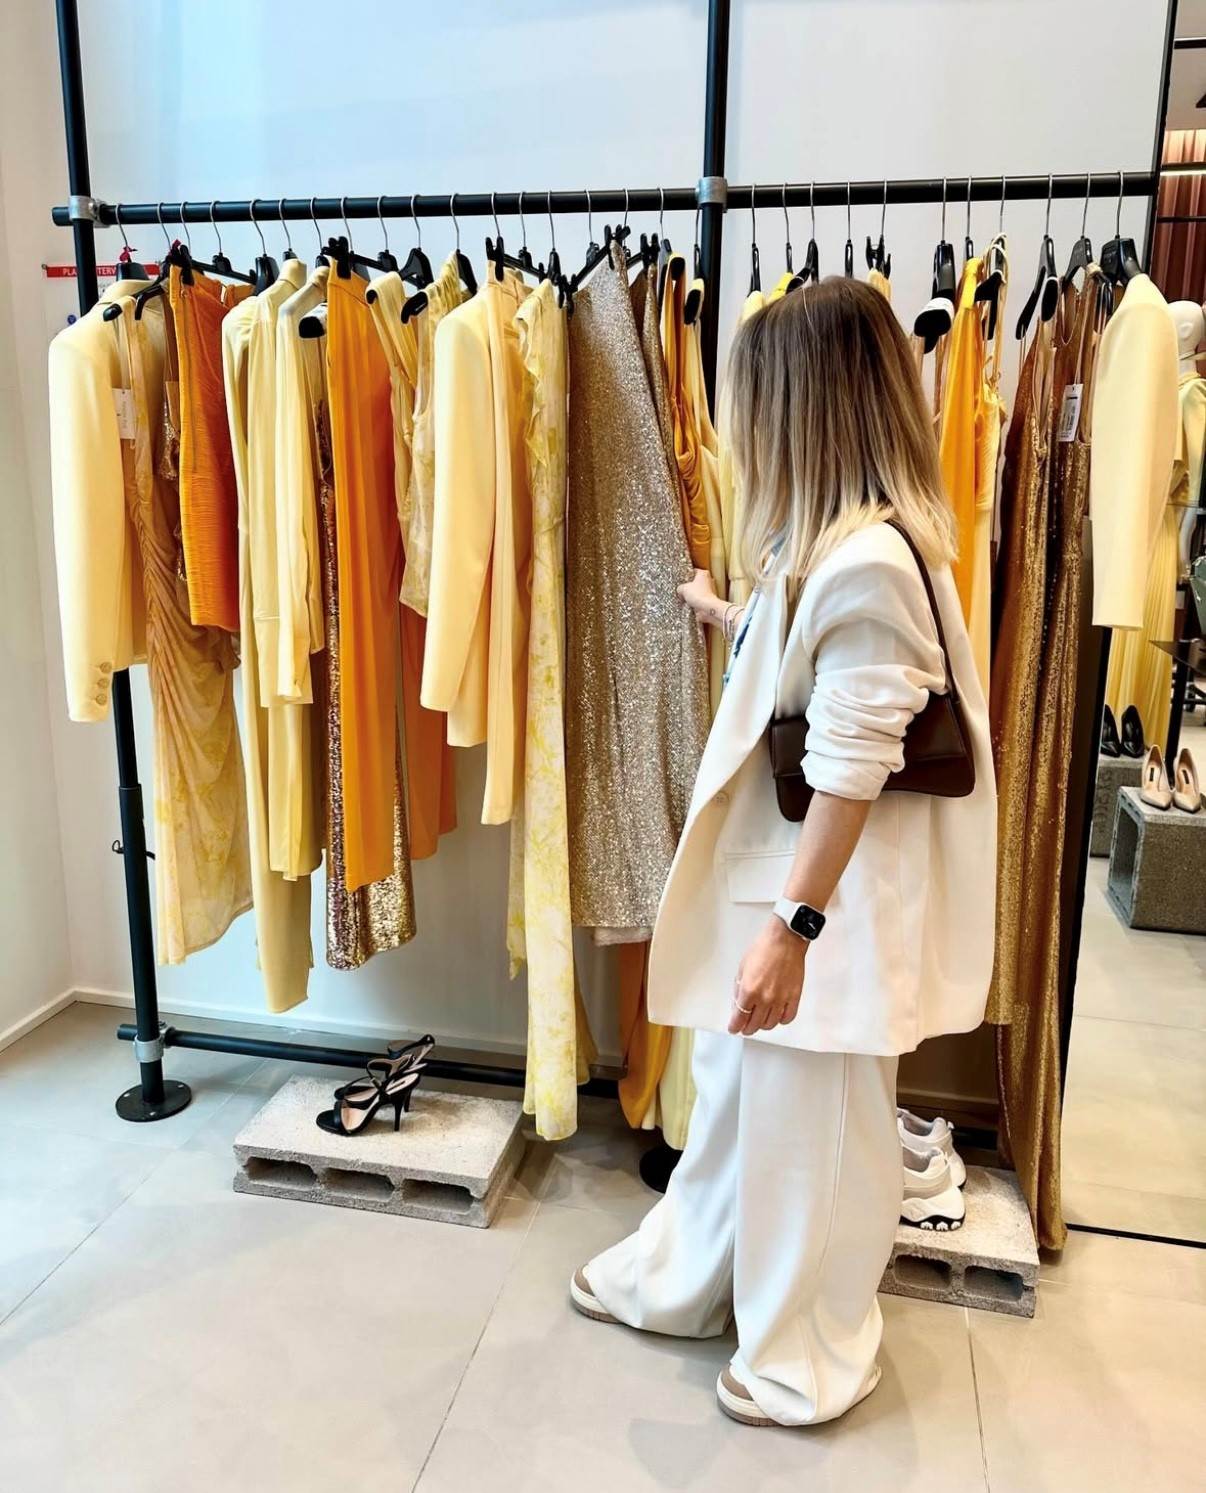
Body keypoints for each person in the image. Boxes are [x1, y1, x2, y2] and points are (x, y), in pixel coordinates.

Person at [569, 278, 997, 1428]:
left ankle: (807, 1358)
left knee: (818, 1140)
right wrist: (727, 612)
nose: (740, 426)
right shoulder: (832, 548)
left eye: (753, 401)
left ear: (801, 407)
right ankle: (693, 1276)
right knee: (740, 1106)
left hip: (827, 901)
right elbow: (812, 662)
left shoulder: (869, 561)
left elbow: (853, 758)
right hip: (794, 882)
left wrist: (792, 932)